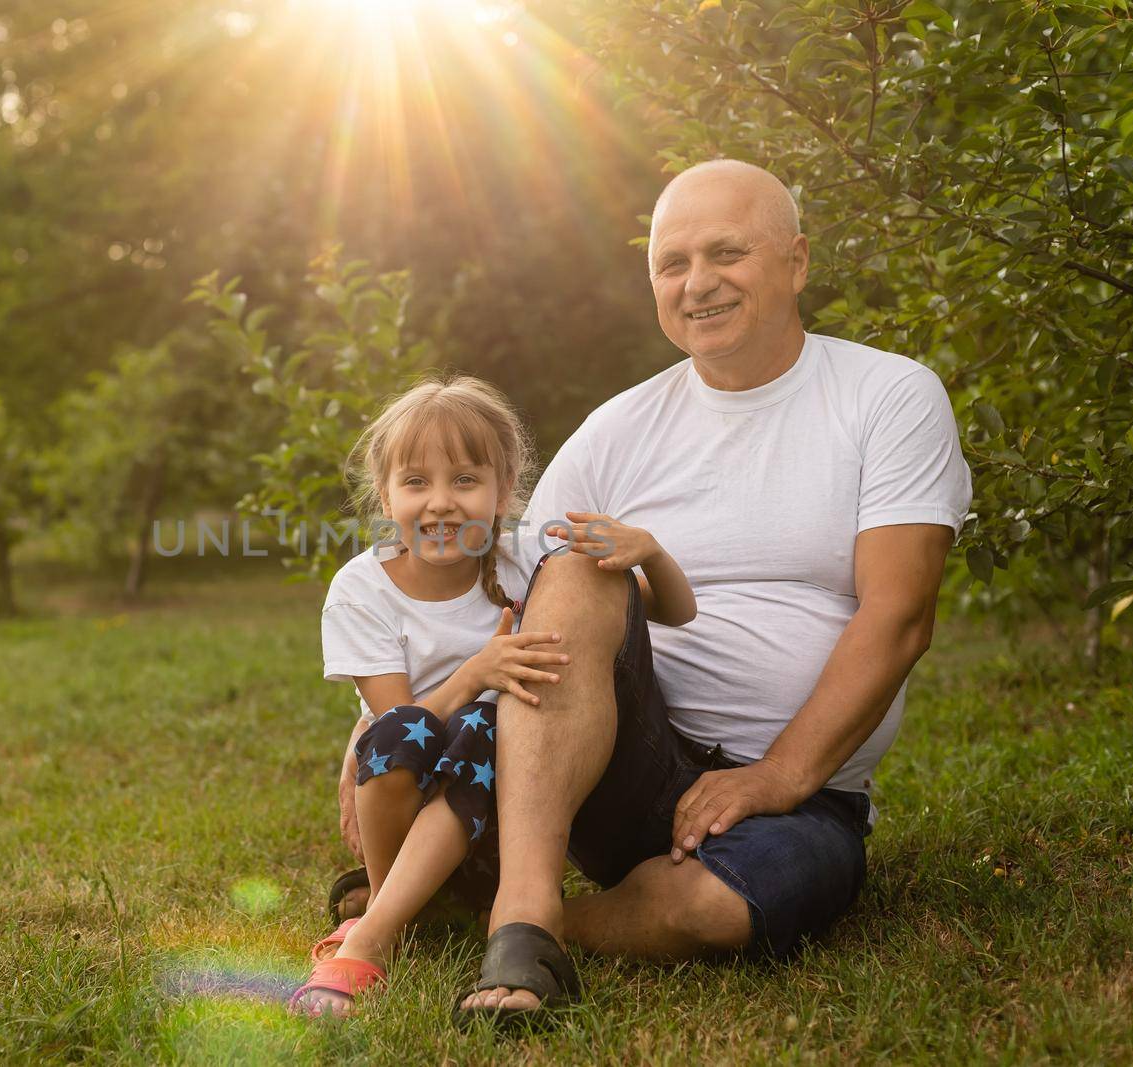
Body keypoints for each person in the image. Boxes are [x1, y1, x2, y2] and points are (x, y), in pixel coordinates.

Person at [436, 159, 973, 1024]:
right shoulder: (619, 427)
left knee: (717, 910)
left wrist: (778, 774)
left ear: (796, 262)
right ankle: (524, 916)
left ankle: (515, 915)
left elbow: (900, 614)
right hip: (619, 762)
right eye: (672, 263)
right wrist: (379, 727)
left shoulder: (888, 395)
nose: (698, 283)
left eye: (728, 252)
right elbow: (493, 603)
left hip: (804, 796)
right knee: (577, 561)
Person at [291, 375, 700, 1017]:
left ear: (504, 492)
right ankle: (389, 900)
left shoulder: (523, 562)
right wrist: (476, 671)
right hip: (401, 803)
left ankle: (382, 930)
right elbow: (397, 722)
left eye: (465, 480)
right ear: (386, 495)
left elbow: (671, 613)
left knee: (491, 719)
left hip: (503, 816)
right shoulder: (360, 589)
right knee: (406, 728)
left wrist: (652, 554)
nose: (441, 504)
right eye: (416, 482)